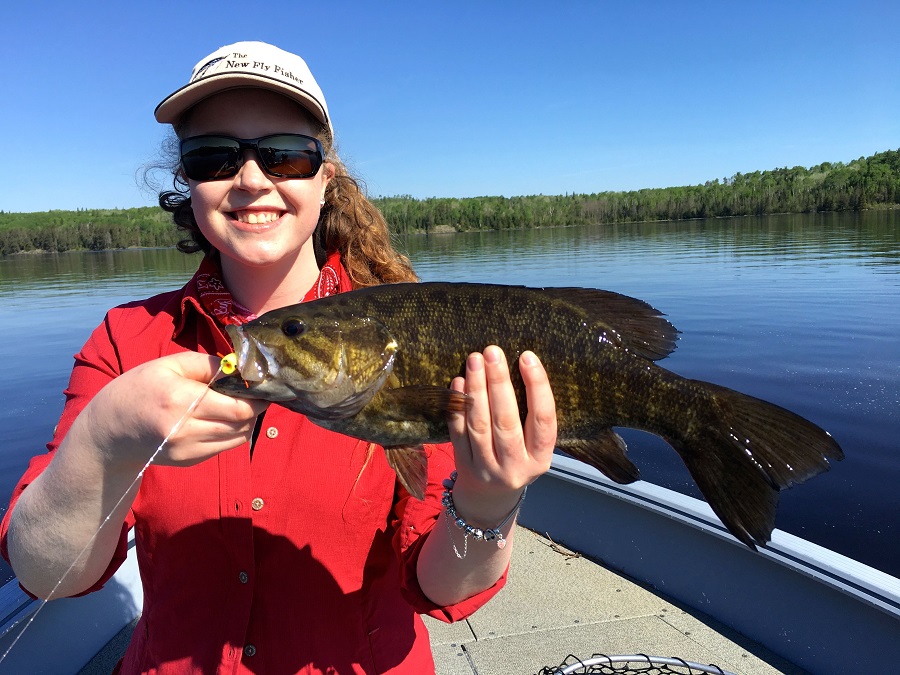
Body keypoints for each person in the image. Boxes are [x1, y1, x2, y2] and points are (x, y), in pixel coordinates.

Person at [0, 42, 557, 675]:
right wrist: (103, 441)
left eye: (285, 154)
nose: (251, 180)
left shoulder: (409, 335)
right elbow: (45, 574)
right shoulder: (128, 340)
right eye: (213, 156)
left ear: (327, 174)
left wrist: (489, 500)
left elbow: (442, 589)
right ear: (187, 179)